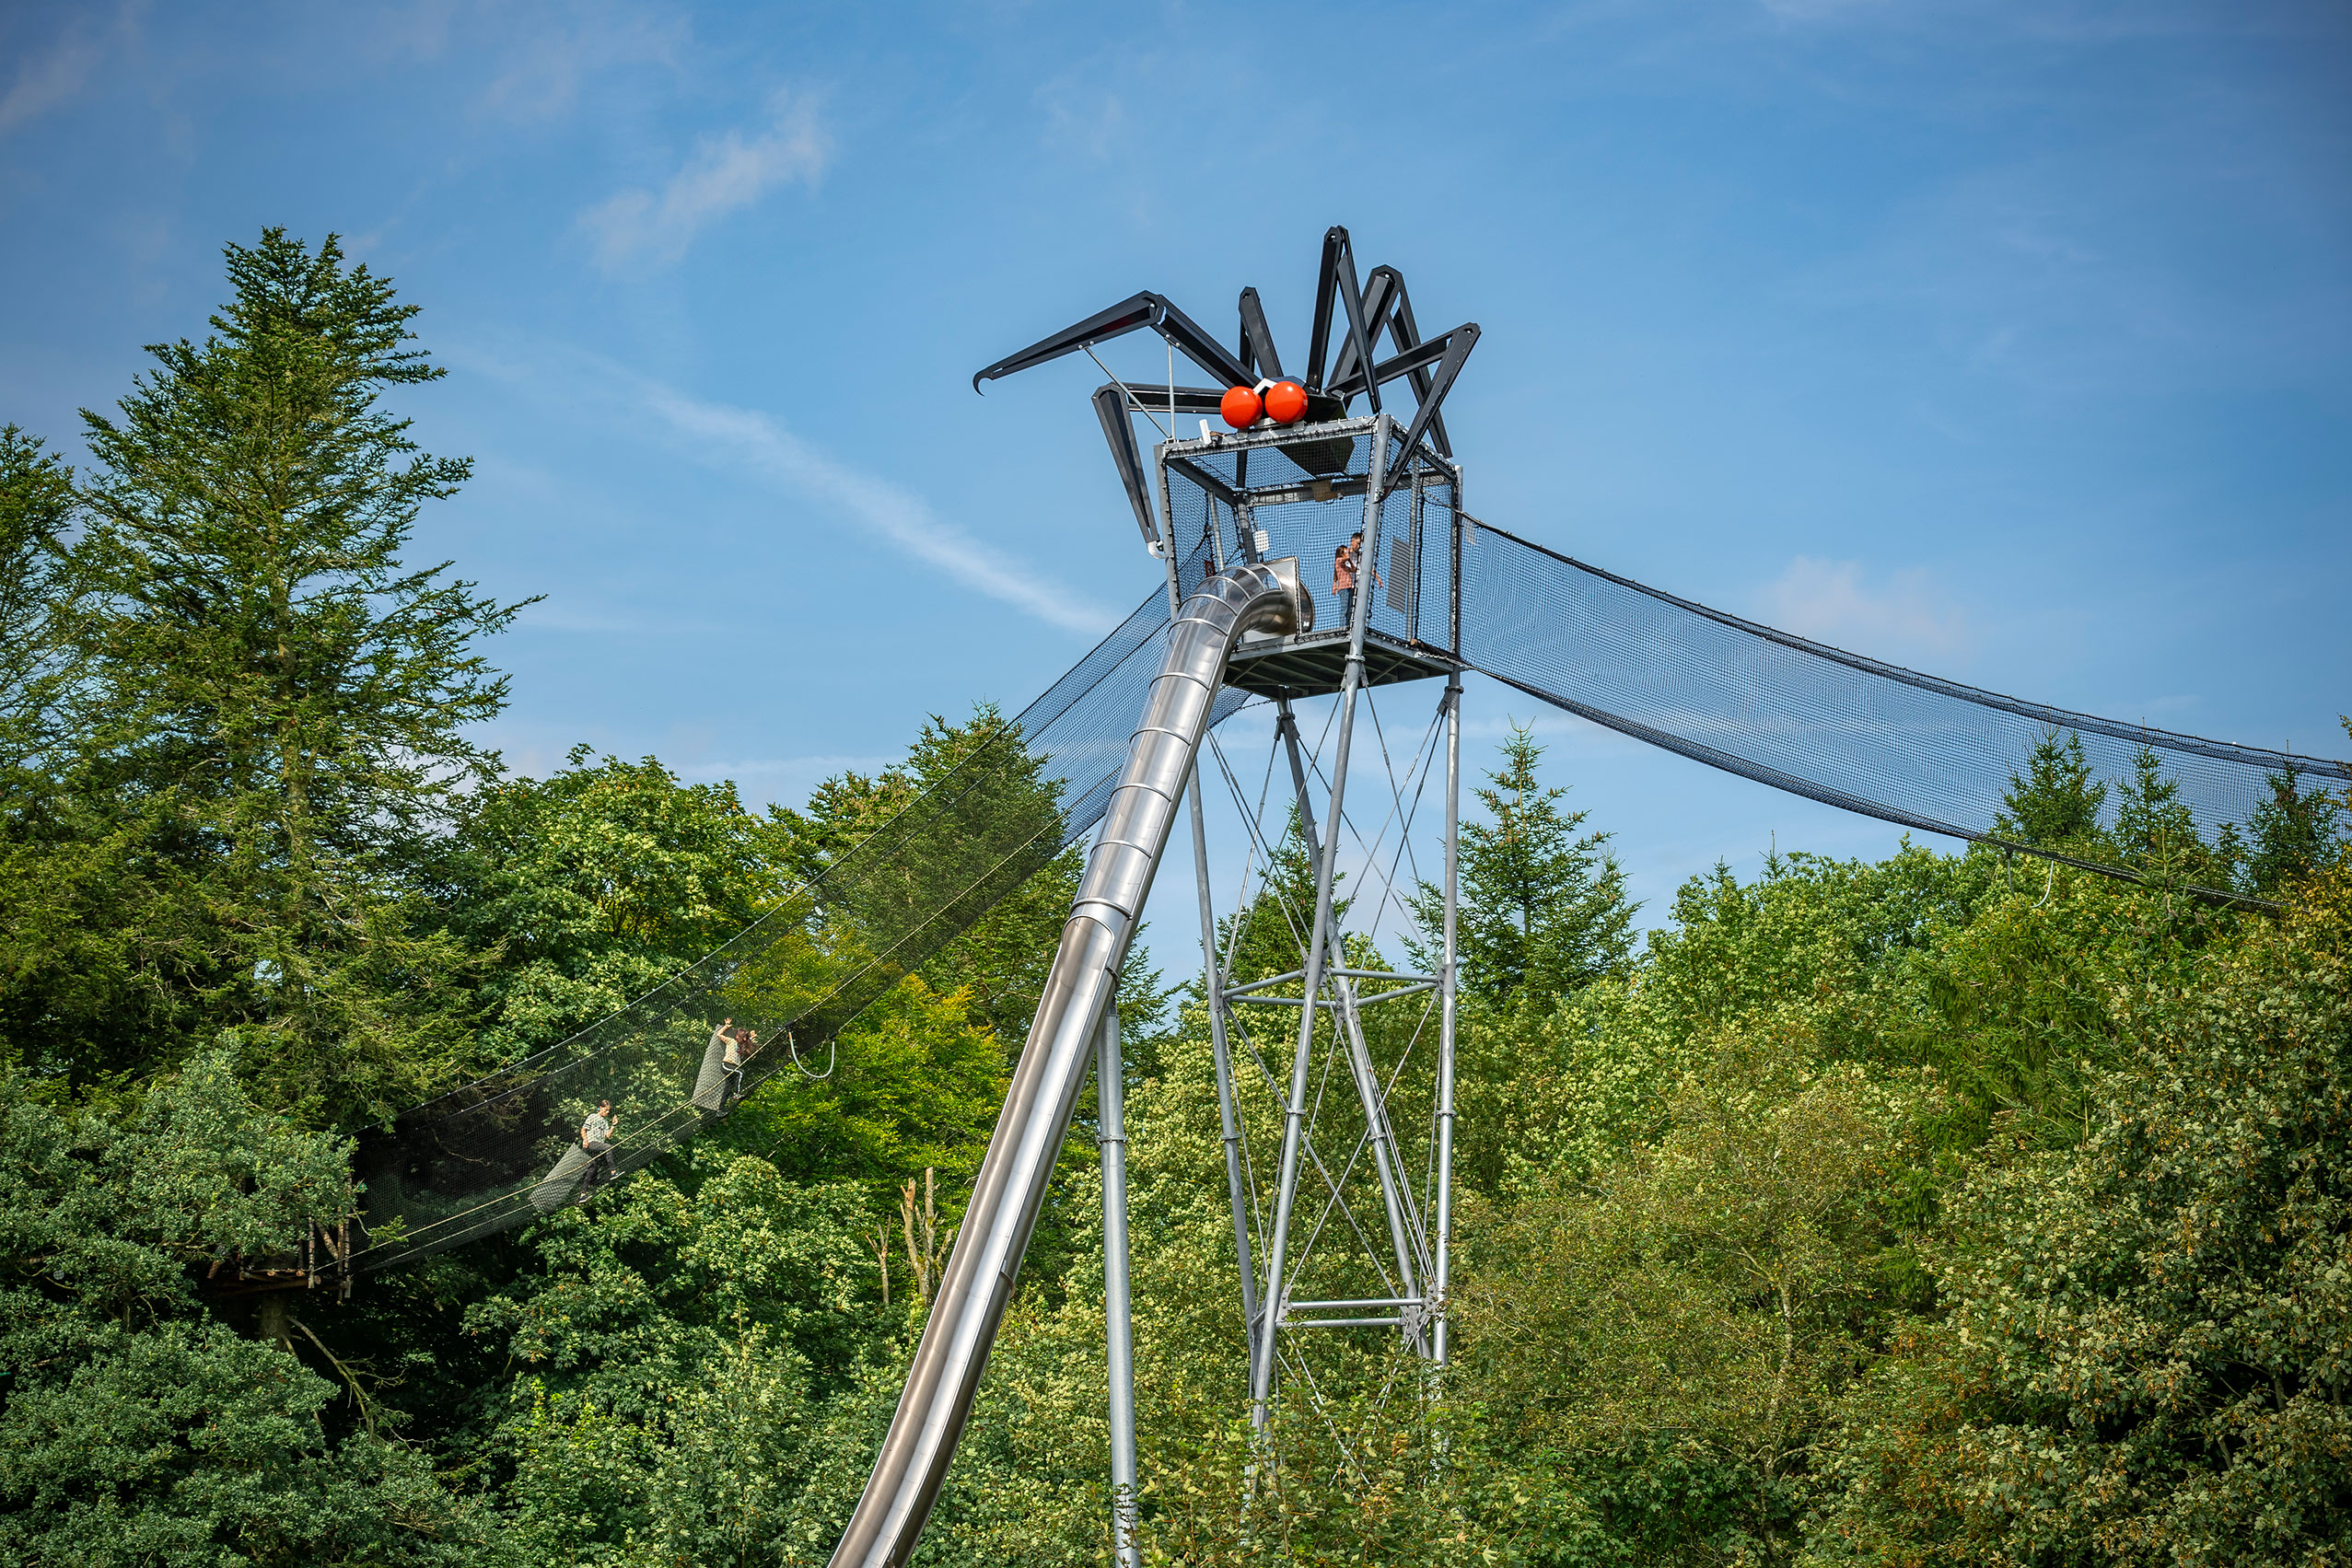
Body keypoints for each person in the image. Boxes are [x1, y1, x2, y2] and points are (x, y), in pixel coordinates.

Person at [580, 1098, 617, 1189]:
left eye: (609, 1110)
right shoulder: (592, 1116)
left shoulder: (605, 1122)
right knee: (609, 1147)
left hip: (597, 1147)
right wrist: (585, 1140)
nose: (607, 1112)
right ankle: (613, 1172)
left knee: (593, 1168)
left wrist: (614, 1125)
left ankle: (583, 1194)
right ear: (600, 1108)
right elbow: (583, 1130)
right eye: (606, 1110)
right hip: (591, 1143)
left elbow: (608, 1136)